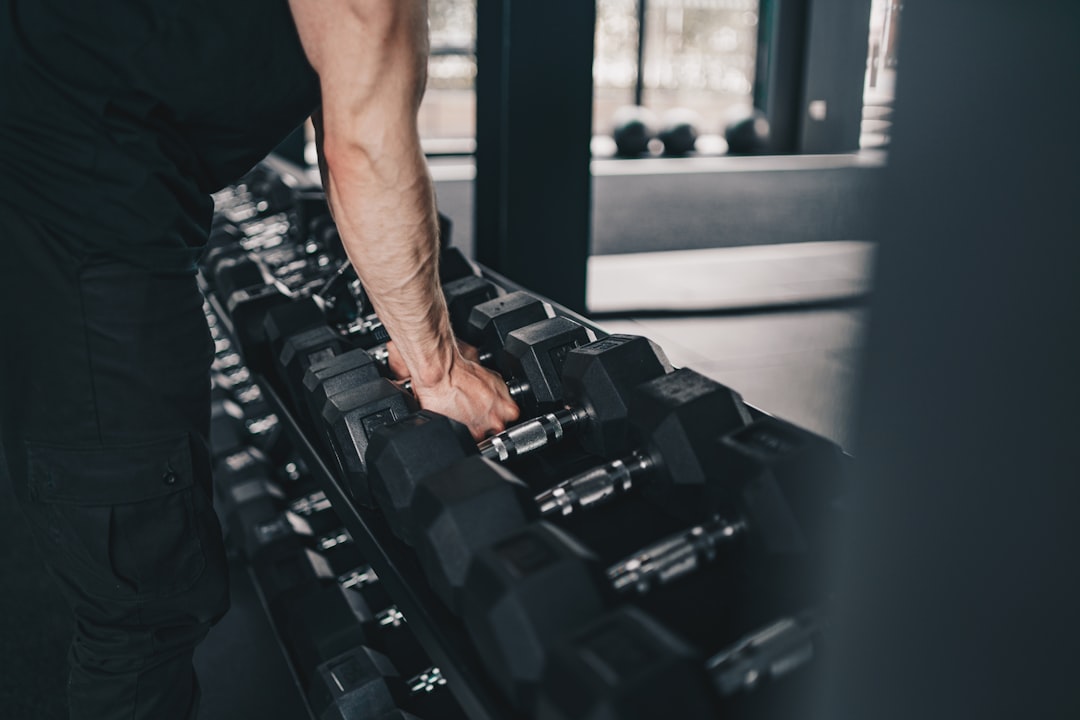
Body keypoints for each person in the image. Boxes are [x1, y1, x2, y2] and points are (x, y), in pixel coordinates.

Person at [0, 0, 518, 717]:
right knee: (141, 610)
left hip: (64, 195)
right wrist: (438, 369)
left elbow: (346, 123)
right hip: (76, 231)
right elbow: (363, 149)